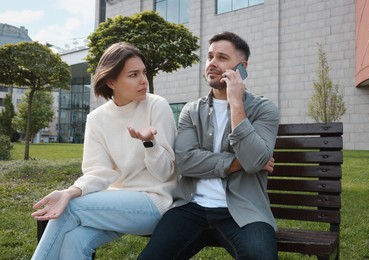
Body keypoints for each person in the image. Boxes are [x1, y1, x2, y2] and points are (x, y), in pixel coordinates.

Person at [138, 31, 280, 260]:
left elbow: (254, 161)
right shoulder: (191, 111)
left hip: (245, 211)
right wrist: (237, 162)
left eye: (222, 58)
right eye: (210, 56)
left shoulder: (264, 109)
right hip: (190, 207)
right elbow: (185, 162)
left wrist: (236, 102)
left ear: (242, 67)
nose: (212, 63)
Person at [31, 42, 177, 260]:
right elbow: (98, 172)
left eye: (143, 72)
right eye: (133, 74)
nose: (143, 80)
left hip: (155, 202)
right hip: (113, 203)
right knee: (74, 241)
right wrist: (71, 191)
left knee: (68, 210)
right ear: (111, 81)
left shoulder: (157, 105)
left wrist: (150, 144)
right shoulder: (97, 119)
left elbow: (166, 173)